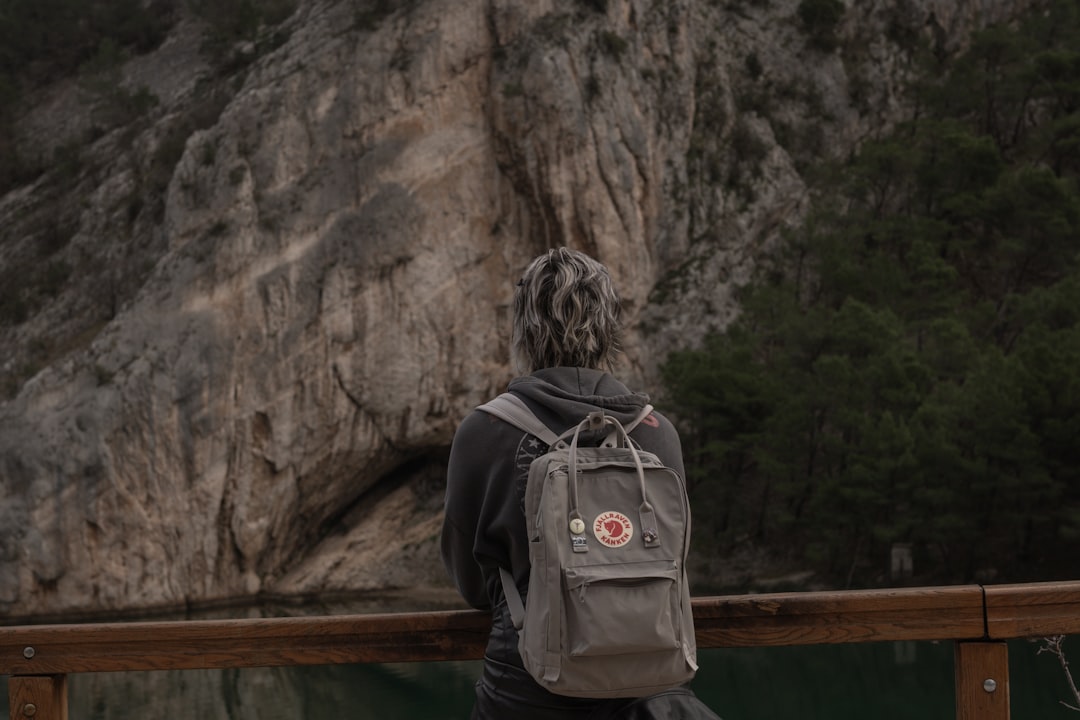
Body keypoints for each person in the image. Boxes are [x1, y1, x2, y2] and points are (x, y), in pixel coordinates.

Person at [441, 247, 721, 719]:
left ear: (524, 331)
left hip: (525, 693)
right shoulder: (657, 435)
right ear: (610, 329)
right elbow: (671, 559)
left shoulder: (484, 431)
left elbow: (469, 583)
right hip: (647, 690)